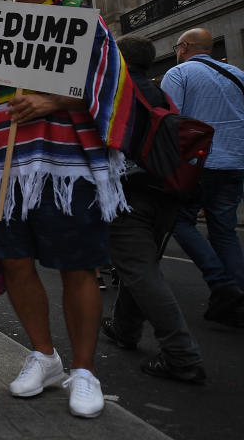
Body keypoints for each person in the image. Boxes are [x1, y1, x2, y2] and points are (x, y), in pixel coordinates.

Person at [0, 0, 137, 418]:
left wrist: (51, 102)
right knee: (15, 263)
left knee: (77, 267)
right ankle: (44, 355)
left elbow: (112, 85)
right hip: (6, 169)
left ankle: (84, 370)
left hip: (67, 170)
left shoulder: (80, 21)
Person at [101, 35, 205, 382]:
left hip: (131, 192)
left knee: (140, 270)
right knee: (138, 266)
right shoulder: (160, 93)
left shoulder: (118, 91)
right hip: (166, 192)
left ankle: (181, 355)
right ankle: (125, 329)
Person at [161, 28, 244, 327]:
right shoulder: (238, 73)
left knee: (179, 221)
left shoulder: (179, 73)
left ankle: (221, 283)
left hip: (199, 165)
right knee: (224, 231)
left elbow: (171, 121)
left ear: (183, 47)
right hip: (235, 163)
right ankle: (238, 300)